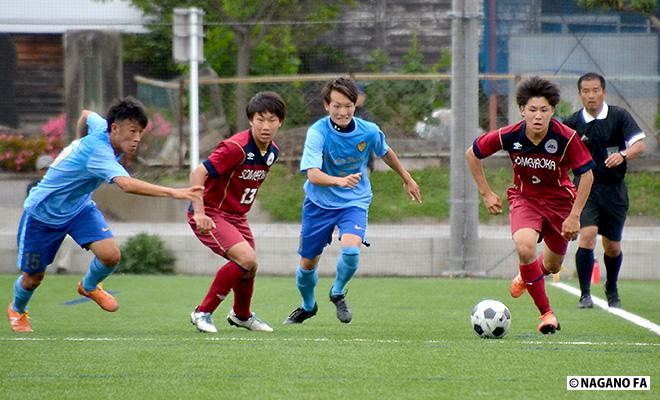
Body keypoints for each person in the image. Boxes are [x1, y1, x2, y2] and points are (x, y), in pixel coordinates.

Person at [7, 97, 203, 333]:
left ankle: (89, 286)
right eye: (133, 131)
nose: (137, 139)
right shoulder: (99, 152)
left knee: (110, 255)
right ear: (115, 128)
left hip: (78, 208)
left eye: (140, 132)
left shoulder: (102, 127)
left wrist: (77, 140)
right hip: (42, 214)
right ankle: (17, 310)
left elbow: (86, 114)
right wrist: (176, 192)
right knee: (33, 278)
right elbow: (127, 185)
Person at [283, 77, 422, 325]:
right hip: (319, 204)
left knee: (350, 250)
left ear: (355, 105)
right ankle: (308, 306)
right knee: (307, 263)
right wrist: (338, 181)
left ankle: (337, 292)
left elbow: (385, 151)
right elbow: (312, 174)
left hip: (354, 201)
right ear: (327, 106)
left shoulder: (368, 130)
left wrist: (407, 177)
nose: (342, 111)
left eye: (348, 105)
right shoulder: (317, 132)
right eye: (337, 106)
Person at [465, 76, 595, 334]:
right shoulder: (511, 134)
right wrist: (486, 193)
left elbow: (588, 175)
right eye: (532, 109)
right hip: (525, 199)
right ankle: (546, 314)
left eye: (544, 110)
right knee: (525, 249)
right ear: (522, 110)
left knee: (553, 265)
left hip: (560, 204)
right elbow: (472, 153)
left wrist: (575, 216)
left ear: (552, 111)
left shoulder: (566, 138)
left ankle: (526, 277)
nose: (538, 116)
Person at [188, 91, 287, 333]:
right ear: (250, 120)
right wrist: (200, 213)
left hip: (236, 217)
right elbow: (197, 173)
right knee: (246, 259)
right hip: (211, 212)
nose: (265, 126)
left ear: (280, 122)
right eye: (260, 119)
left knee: (250, 266)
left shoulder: (273, 152)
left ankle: (242, 316)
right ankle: (202, 311)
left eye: (271, 120)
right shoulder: (235, 147)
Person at [563, 72, 646, 309]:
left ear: (604, 92)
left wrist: (622, 155)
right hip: (585, 189)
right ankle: (585, 294)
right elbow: (558, 153)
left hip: (614, 190)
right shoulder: (572, 123)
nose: (591, 96)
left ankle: (611, 286)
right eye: (586, 91)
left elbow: (640, 144)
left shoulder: (618, 116)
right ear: (579, 94)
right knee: (587, 235)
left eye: (596, 90)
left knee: (612, 245)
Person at [354, 82, 377, 173]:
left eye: (359, 94)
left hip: (364, 161)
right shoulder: (343, 114)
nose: (356, 97)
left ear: (364, 97)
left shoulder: (366, 115)